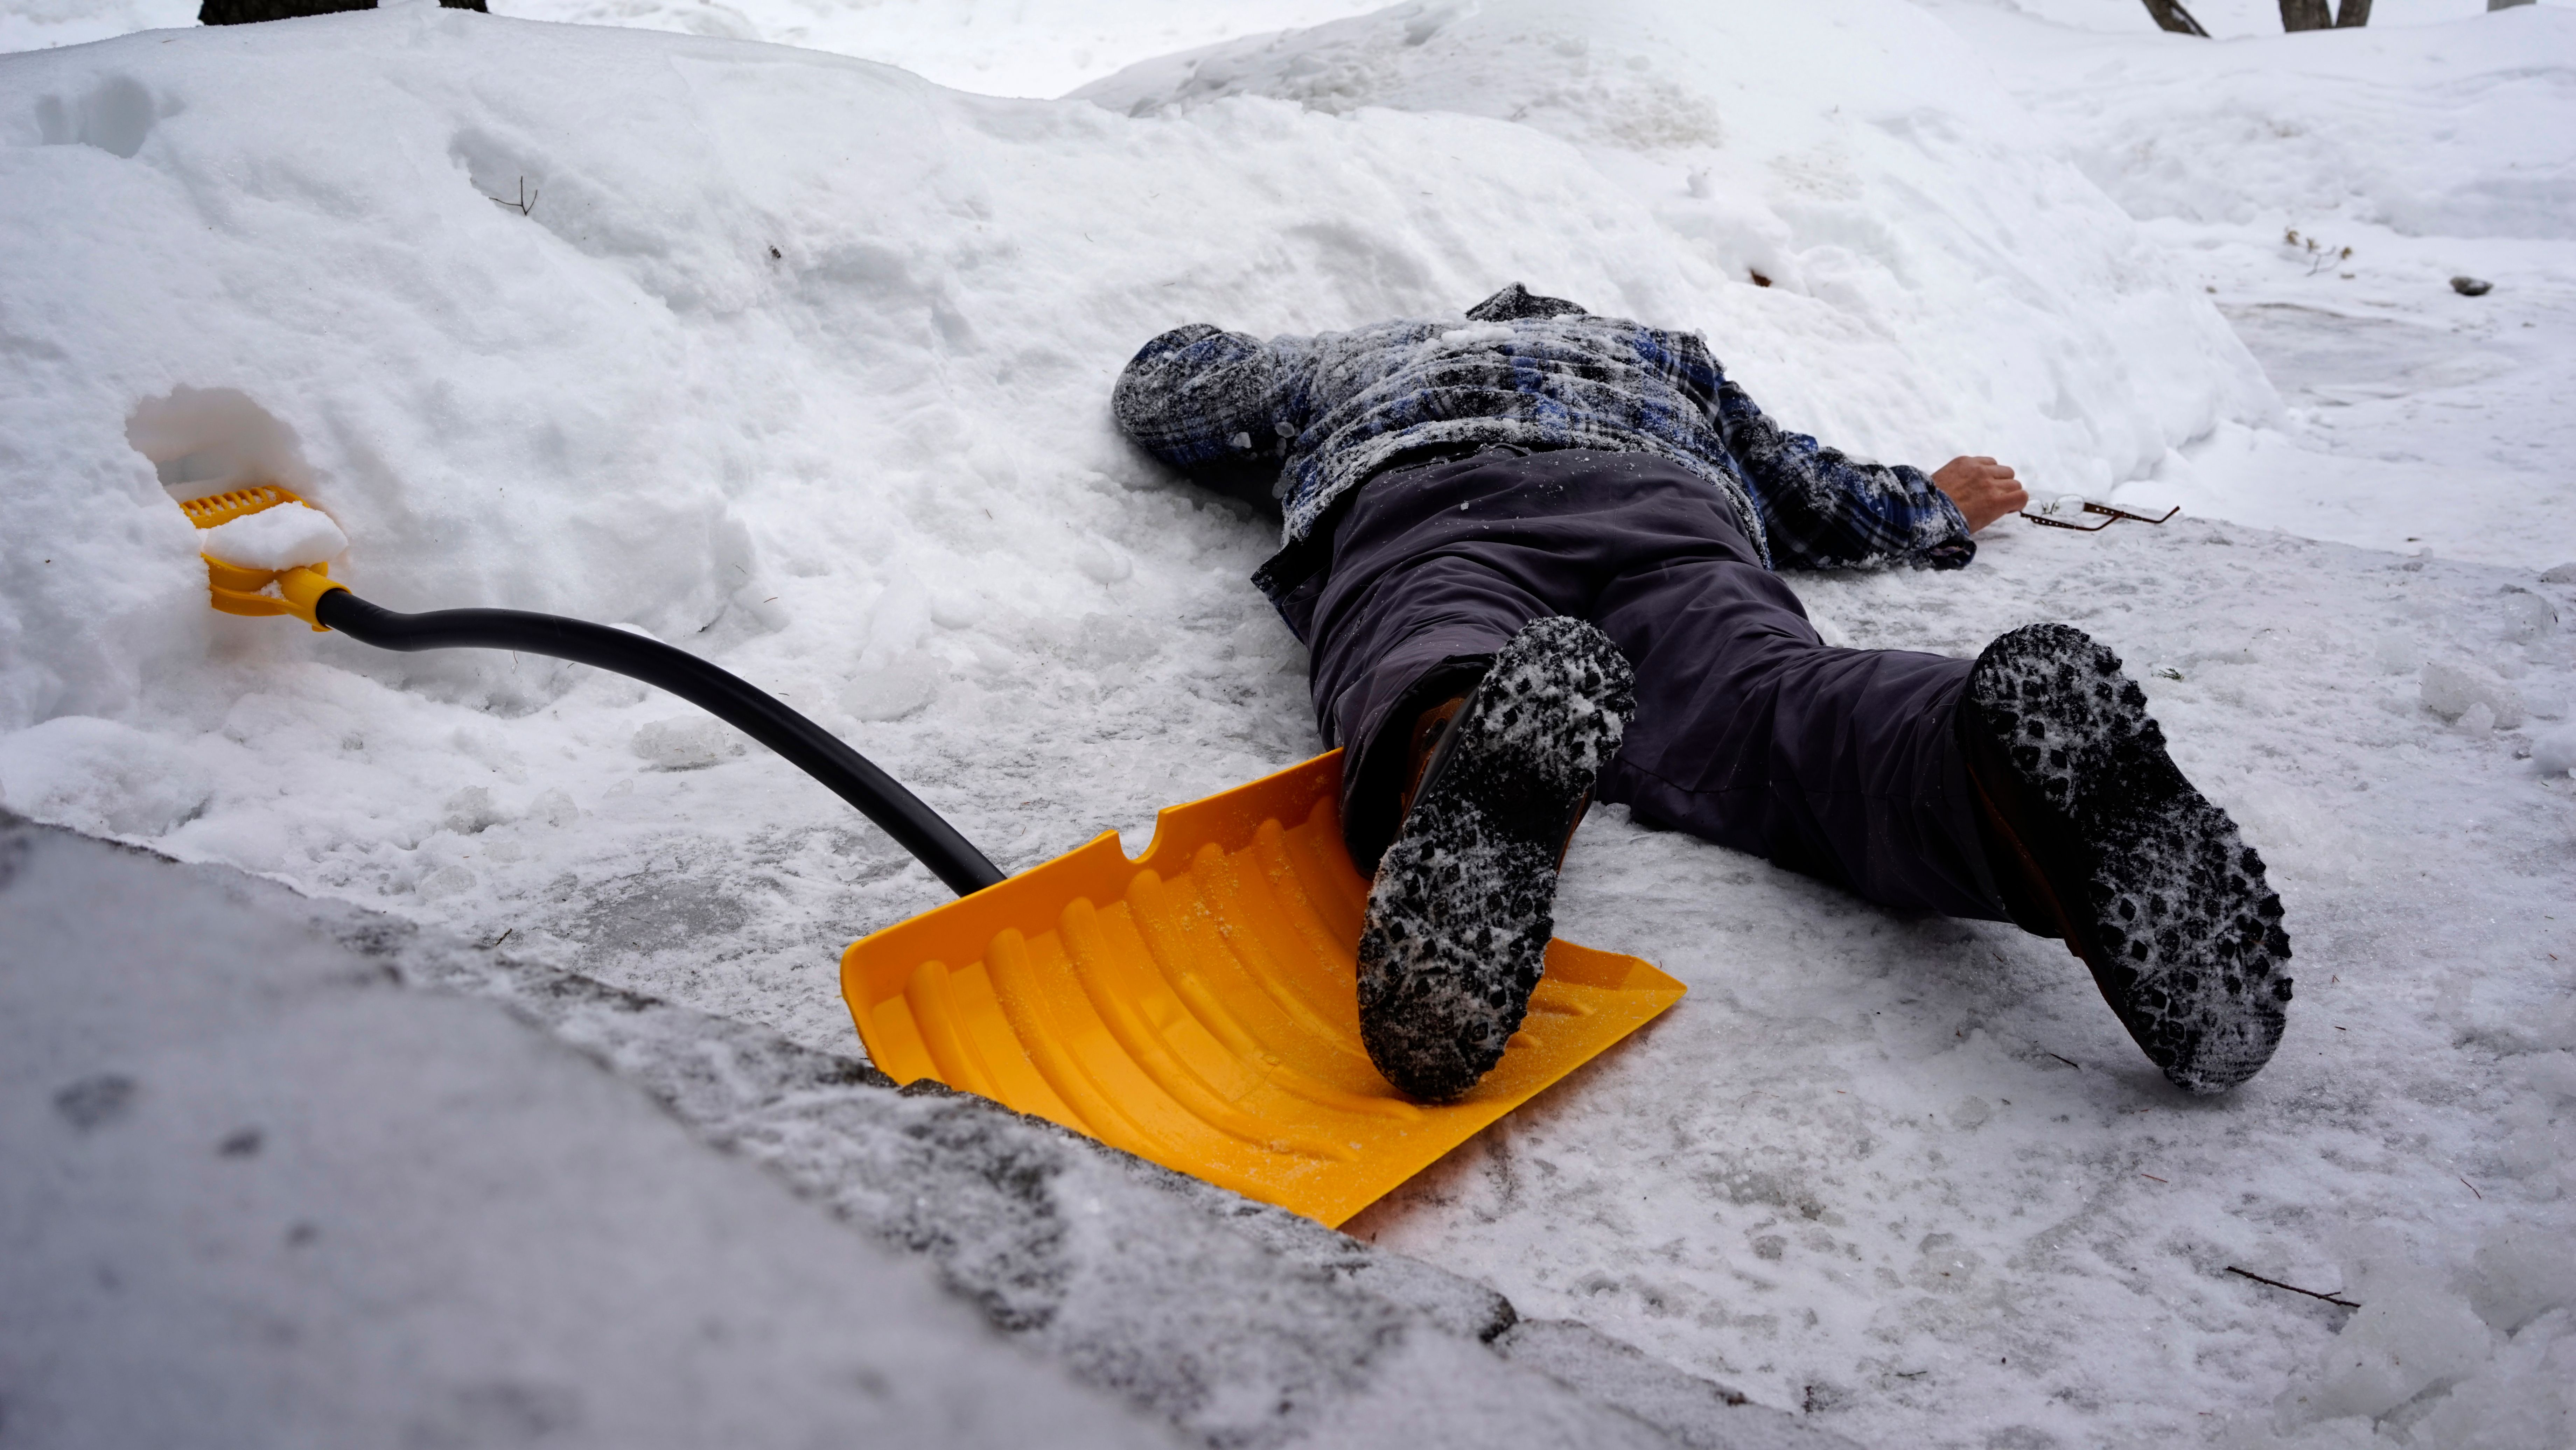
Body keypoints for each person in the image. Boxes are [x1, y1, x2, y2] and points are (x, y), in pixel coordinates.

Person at [1112, 283, 2292, 1103]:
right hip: (1662, 507)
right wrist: (1933, 503)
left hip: (1438, 502)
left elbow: (1170, 394)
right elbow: (1817, 494)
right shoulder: (1657, 355)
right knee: (1769, 701)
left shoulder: (1361, 358)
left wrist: (1204, 346)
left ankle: (1453, 735)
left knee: (1430, 633)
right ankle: (1973, 761)